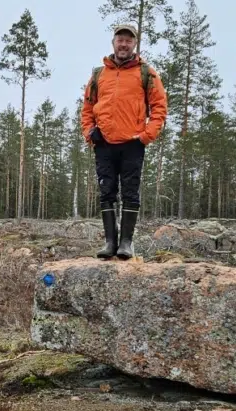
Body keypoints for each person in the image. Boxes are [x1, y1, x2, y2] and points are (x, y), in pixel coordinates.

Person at [81, 23, 167, 260]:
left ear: (134, 44)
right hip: (104, 143)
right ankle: (110, 242)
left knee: (130, 192)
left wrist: (147, 135)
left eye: (129, 41)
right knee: (106, 192)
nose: (124, 44)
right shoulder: (99, 74)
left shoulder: (146, 72)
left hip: (132, 143)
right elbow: (87, 108)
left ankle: (126, 243)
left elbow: (159, 107)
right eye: (120, 40)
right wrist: (90, 132)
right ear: (113, 43)